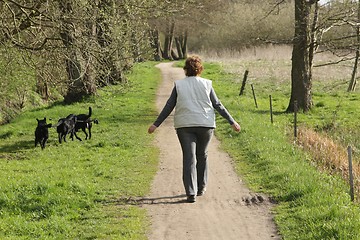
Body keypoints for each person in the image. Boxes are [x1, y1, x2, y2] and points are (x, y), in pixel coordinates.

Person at [148, 55, 241, 203]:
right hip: (205, 124)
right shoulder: (207, 84)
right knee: (202, 155)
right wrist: (232, 121)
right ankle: (201, 187)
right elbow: (218, 105)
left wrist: (156, 124)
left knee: (189, 157)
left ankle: (190, 192)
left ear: (185, 70)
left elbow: (169, 106)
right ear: (200, 69)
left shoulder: (179, 85)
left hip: (185, 125)